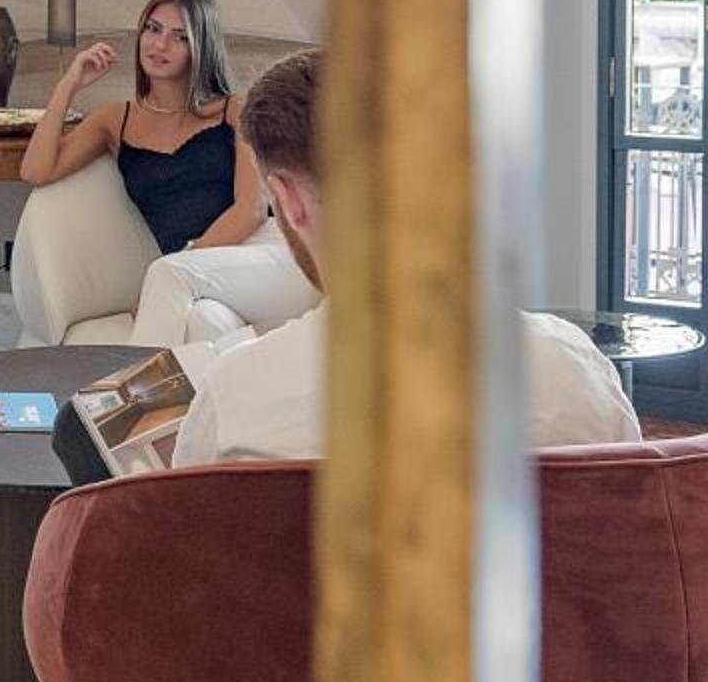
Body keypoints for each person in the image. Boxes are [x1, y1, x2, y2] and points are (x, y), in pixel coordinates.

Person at [170, 49, 641, 466]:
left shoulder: (235, 397)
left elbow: (181, 532)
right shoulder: (575, 367)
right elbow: (633, 524)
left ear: (288, 200)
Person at [19, 0, 302, 347]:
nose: (160, 45)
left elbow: (251, 210)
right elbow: (36, 171)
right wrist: (68, 85)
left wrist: (177, 268)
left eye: (179, 37)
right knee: (205, 323)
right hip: (203, 281)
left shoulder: (235, 110)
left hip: (267, 254)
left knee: (165, 276)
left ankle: (122, 384)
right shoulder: (115, 119)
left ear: (200, 48)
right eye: (153, 29)